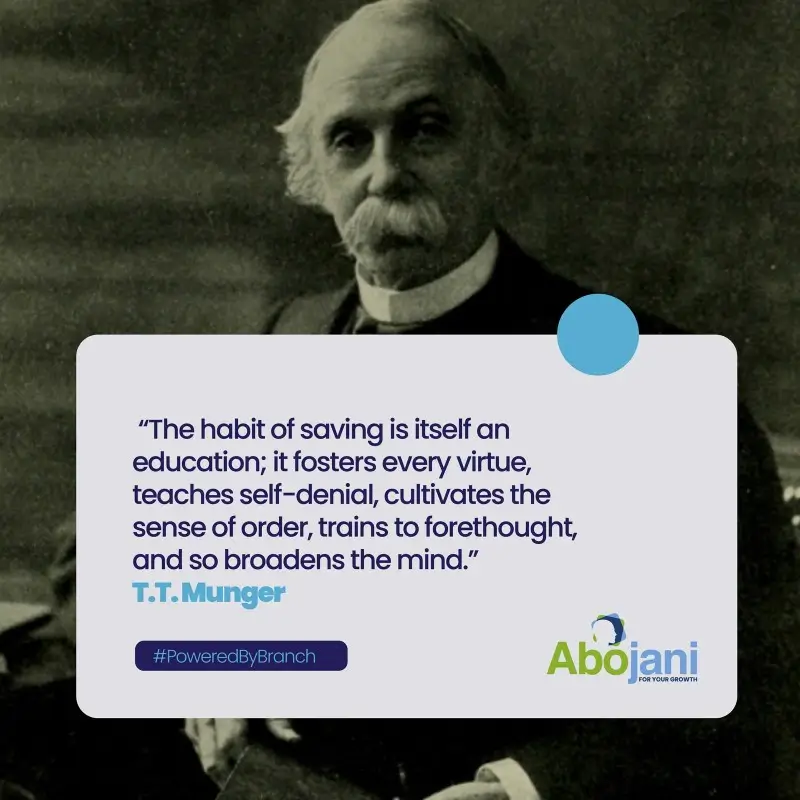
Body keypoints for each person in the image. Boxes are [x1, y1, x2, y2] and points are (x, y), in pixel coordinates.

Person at [255, 1, 800, 799]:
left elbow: (749, 696)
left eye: (425, 130)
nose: (384, 172)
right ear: (311, 170)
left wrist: (519, 788)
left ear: (498, 151)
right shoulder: (284, 339)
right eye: (349, 140)